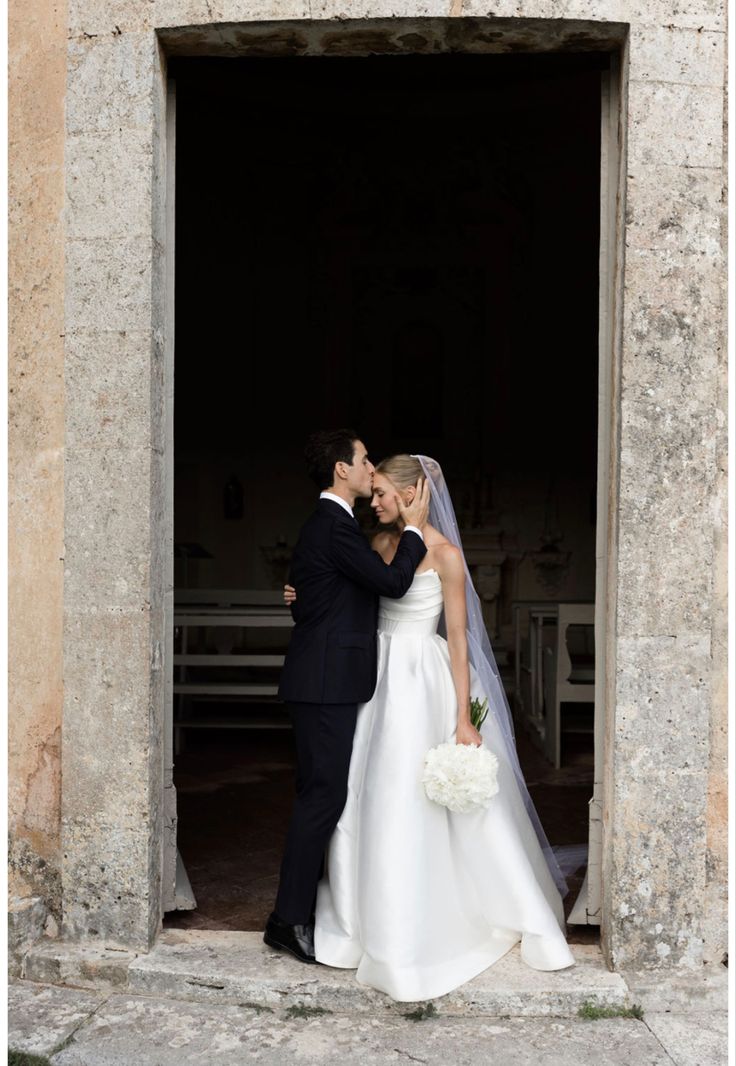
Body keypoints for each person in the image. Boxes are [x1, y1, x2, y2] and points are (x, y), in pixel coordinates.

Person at [284, 454, 576, 1001]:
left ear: (415, 494)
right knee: (358, 796)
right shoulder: (377, 545)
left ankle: (426, 922)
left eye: (383, 496)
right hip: (373, 681)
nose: (375, 503)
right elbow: (350, 602)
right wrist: (300, 593)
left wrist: (463, 716)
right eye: (373, 495)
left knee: (411, 796)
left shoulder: (446, 556)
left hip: (422, 682)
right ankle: (359, 917)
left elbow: (461, 640)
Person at [264, 431, 430, 965]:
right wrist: (416, 531)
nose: (368, 469)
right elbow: (393, 584)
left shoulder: (335, 527)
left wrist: (302, 594)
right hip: (324, 686)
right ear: (342, 469)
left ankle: (294, 913)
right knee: (321, 799)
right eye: (362, 461)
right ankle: (288, 921)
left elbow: (316, 601)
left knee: (321, 796)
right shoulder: (335, 526)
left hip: (324, 682)